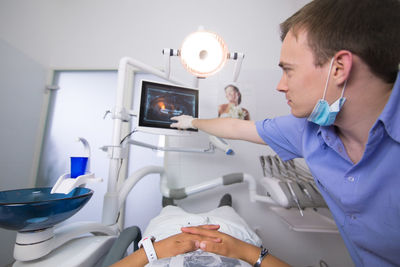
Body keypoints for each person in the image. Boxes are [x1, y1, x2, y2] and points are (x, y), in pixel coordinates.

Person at [170, 0, 400, 266]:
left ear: (338, 68)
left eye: (288, 71)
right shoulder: (308, 131)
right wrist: (193, 122)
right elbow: (235, 127)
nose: (280, 86)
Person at [111, 194, 289, 267]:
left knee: (169, 212)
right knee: (226, 213)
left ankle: (170, 205)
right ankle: (224, 207)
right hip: (231, 237)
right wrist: (244, 250)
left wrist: (152, 251)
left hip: (167, 237)